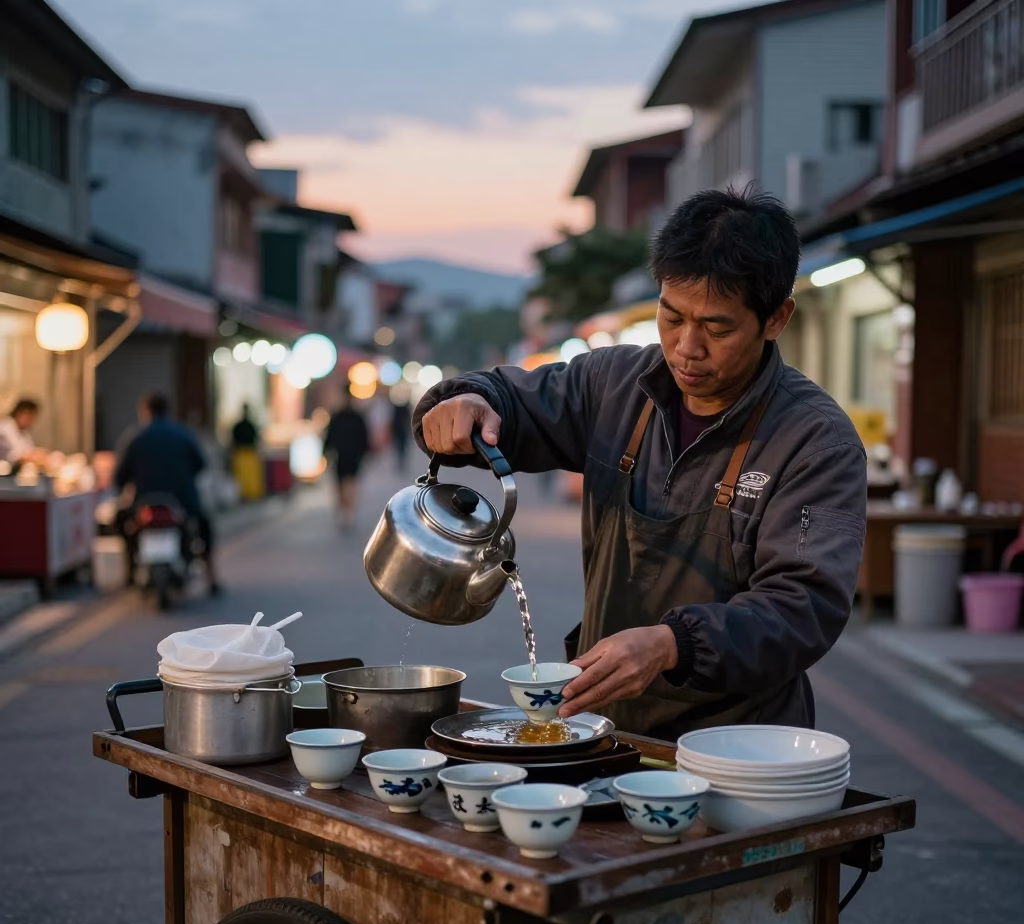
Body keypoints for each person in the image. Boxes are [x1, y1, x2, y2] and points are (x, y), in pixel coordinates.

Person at [415, 186, 867, 740]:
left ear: (777, 318)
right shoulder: (611, 385)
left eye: (717, 328)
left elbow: (804, 607)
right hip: (605, 730)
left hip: (742, 747)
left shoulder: (815, 440)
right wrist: (466, 400)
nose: (686, 348)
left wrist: (673, 644)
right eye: (671, 316)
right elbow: (513, 398)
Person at [115, 392, 221, 594]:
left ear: (145, 412)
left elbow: (119, 477)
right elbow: (200, 465)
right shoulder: (184, 434)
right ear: (168, 411)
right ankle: (211, 576)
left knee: (120, 521)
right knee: (203, 526)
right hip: (183, 501)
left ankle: (130, 570)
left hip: (143, 502)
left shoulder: (135, 437)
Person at [323, 387, 370, 530]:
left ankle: (347, 512)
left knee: (346, 485)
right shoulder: (351, 416)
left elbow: (329, 437)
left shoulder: (342, 416)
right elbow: (364, 438)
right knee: (344, 485)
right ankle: (347, 512)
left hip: (346, 456)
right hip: (345, 456)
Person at [230, 403, 264, 502]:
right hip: (243, 453)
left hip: (247, 453)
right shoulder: (243, 426)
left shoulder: (247, 426)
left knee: (248, 476)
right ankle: (245, 494)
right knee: (243, 476)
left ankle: (250, 494)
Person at [0, 398, 42, 465]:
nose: (30, 420)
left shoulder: (25, 432)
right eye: (27, 415)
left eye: (32, 417)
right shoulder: (5, 428)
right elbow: (7, 456)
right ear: (18, 413)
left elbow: (29, 451)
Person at [391, 397, 411, 472]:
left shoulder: (396, 410)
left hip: (399, 431)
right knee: (401, 448)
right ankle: (401, 462)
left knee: (400, 447)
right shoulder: (404, 410)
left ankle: (400, 462)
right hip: (401, 431)